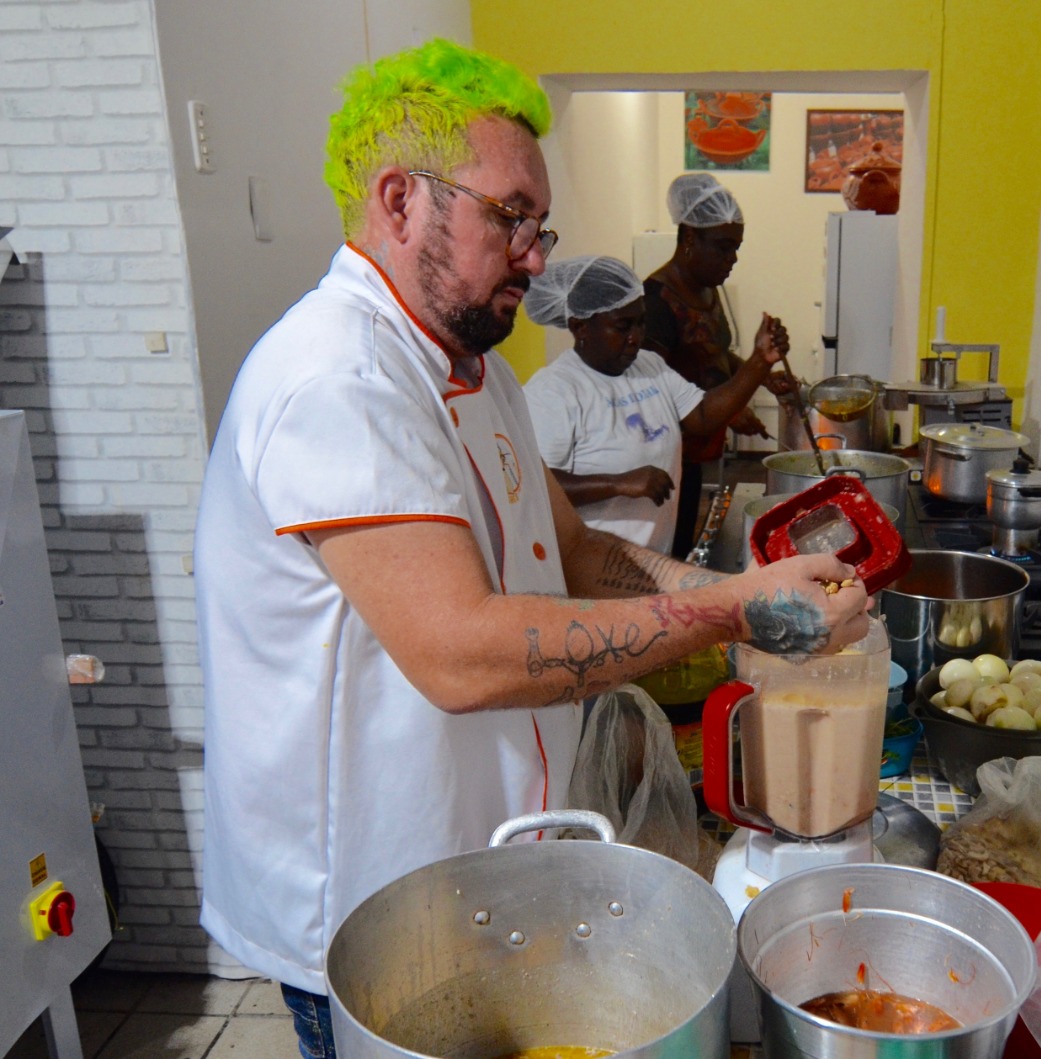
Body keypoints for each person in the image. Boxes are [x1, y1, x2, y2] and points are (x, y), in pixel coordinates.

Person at [192, 39, 870, 1058]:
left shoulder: (476, 368)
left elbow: (573, 553)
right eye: (511, 216)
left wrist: (739, 584)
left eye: (539, 226)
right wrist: (731, 613)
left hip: (492, 873)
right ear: (398, 200)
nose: (539, 256)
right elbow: (460, 654)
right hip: (378, 910)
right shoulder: (340, 380)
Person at [522, 255, 791, 552]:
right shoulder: (553, 392)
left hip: (651, 558)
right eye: (623, 326)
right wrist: (619, 483)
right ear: (580, 326)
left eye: (640, 323)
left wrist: (759, 361)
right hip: (591, 570)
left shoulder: (648, 365)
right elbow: (536, 486)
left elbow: (701, 416)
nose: (636, 337)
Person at [642, 173, 796, 556]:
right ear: (690, 239)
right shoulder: (656, 303)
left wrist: (763, 379)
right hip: (664, 464)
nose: (733, 259)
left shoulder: (707, 291)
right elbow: (655, 395)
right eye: (724, 247)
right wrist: (734, 403)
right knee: (663, 555)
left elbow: (713, 351)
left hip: (695, 457)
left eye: (737, 247)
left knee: (680, 548)